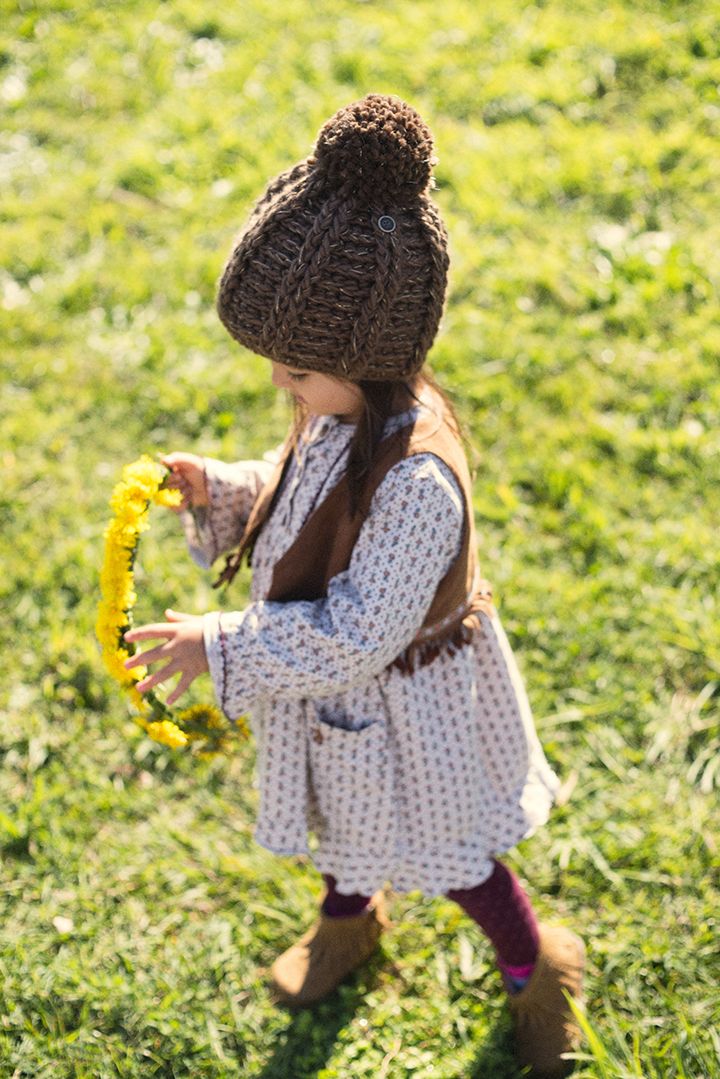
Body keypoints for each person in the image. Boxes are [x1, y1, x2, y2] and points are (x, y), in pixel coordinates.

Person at [124, 94, 584, 1077]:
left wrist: (221, 644)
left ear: (367, 358)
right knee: (349, 822)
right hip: (347, 706)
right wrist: (228, 487)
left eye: (294, 371)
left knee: (457, 850)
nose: (281, 389)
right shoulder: (343, 410)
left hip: (414, 701)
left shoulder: (419, 480)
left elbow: (358, 629)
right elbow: (306, 502)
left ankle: (534, 969)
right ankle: (349, 924)